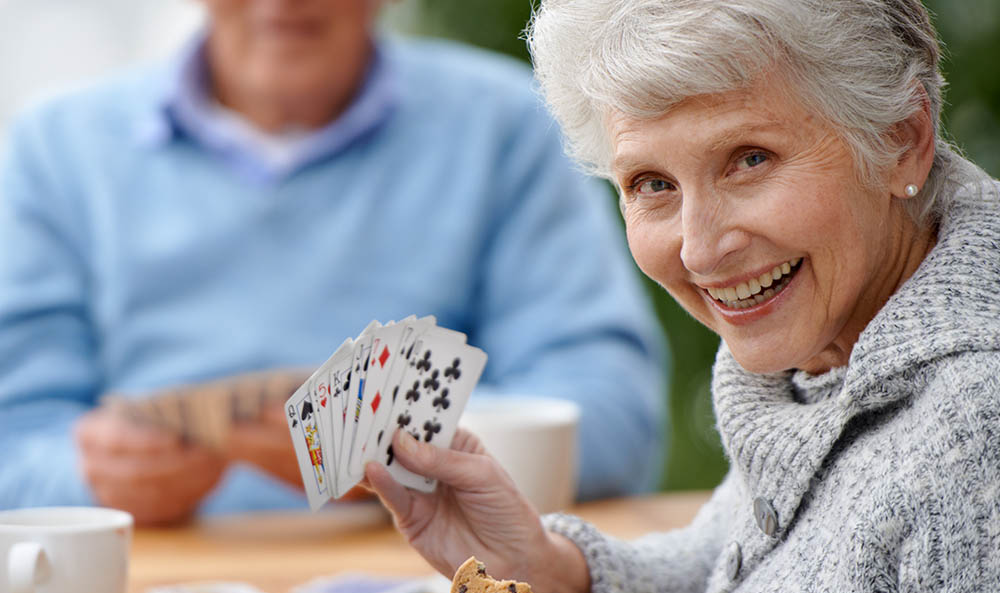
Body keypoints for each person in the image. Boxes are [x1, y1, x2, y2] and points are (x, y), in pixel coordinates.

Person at [362, 0, 1000, 593]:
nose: (699, 251)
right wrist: (552, 570)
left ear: (901, 140)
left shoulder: (973, 428)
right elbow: (740, 559)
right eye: (652, 183)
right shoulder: (835, 348)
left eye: (750, 159)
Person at [0, 0, 668, 525]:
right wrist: (83, 476)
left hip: (430, 571)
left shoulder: (507, 125)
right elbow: (14, 437)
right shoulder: (56, 149)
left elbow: (613, 418)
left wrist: (402, 448)